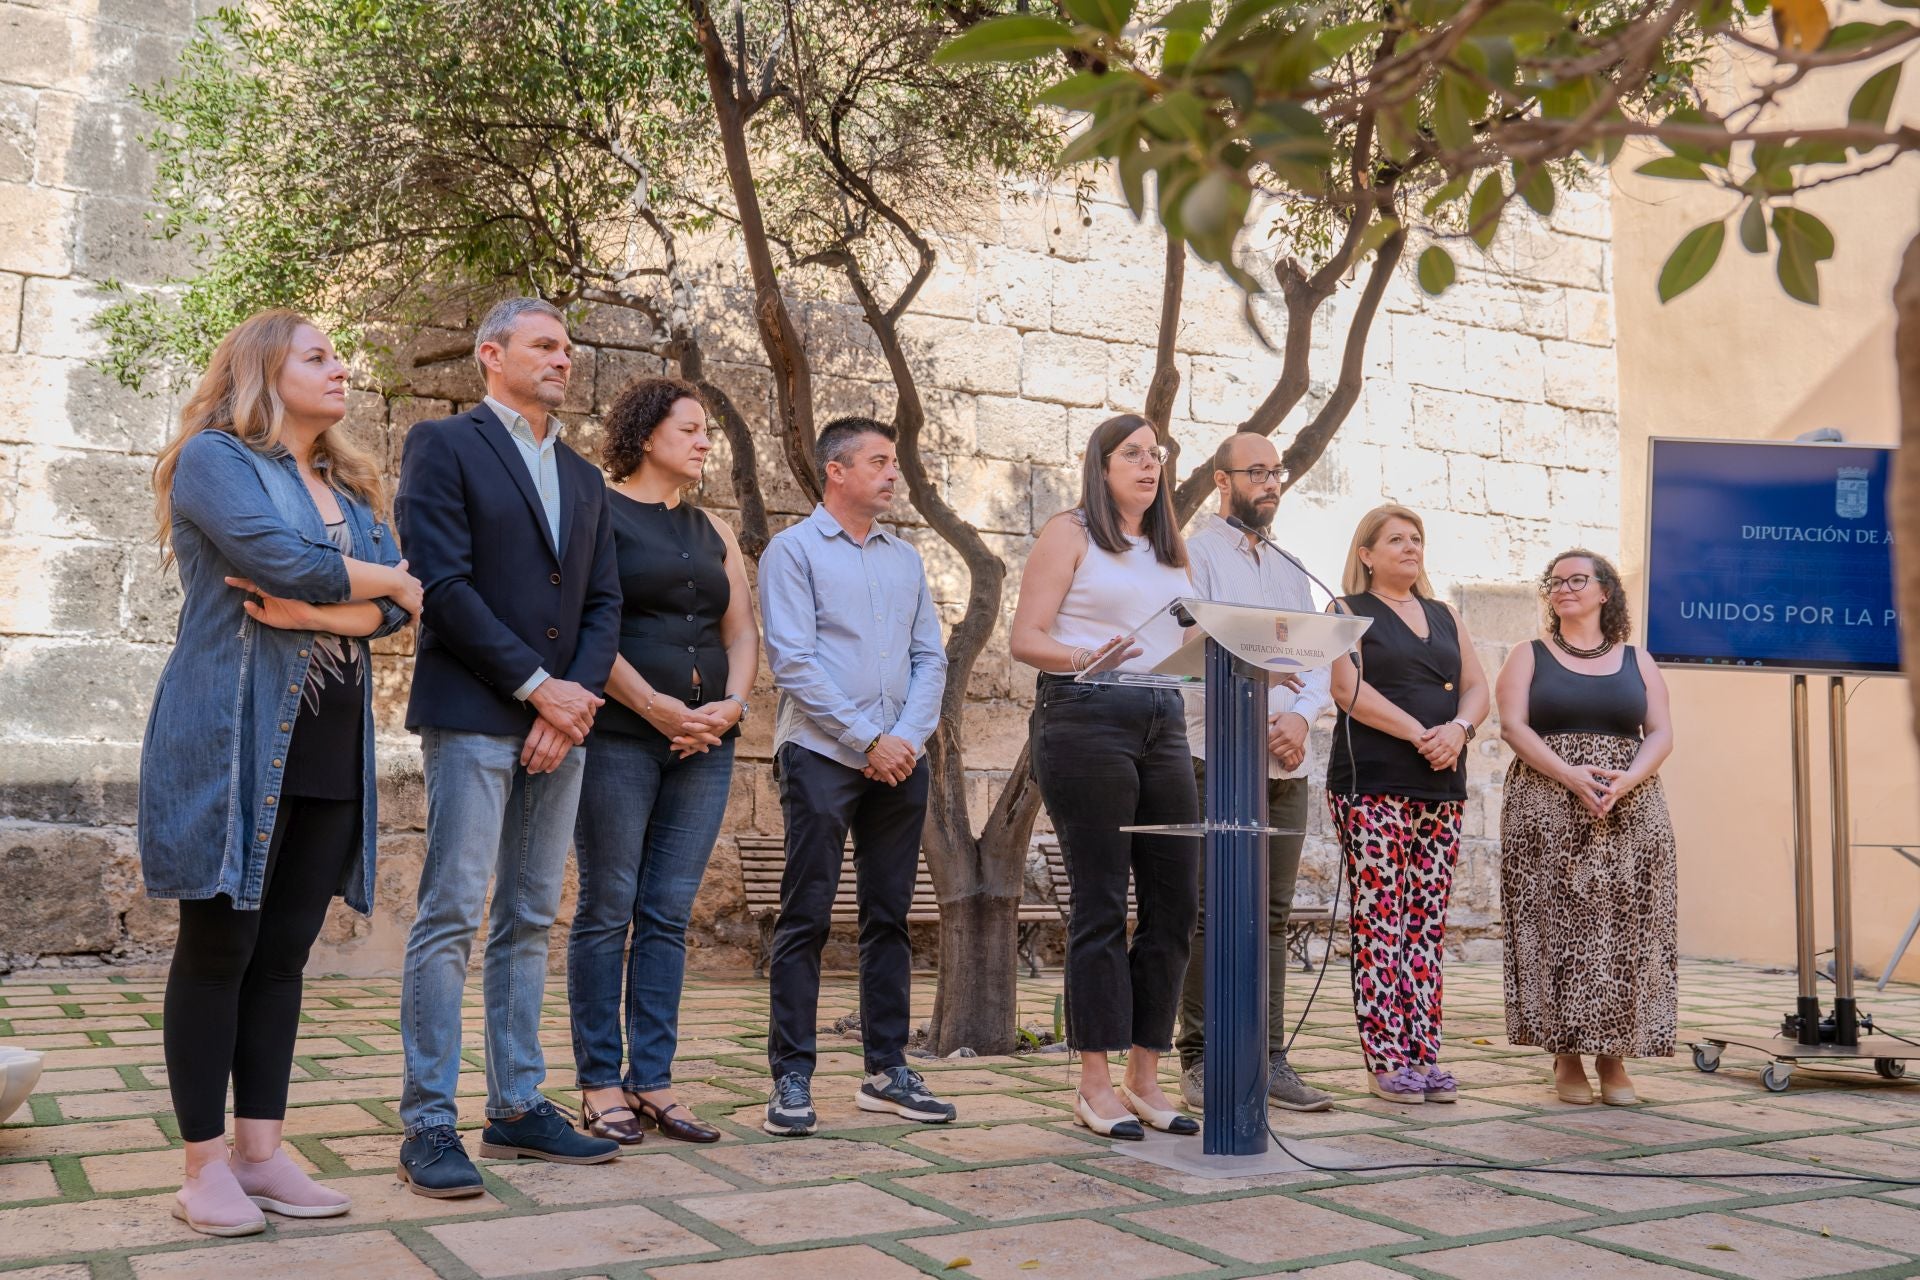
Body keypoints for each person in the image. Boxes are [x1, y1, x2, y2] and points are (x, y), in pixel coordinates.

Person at [141, 309, 420, 1235]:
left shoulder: (343, 479)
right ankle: (201, 1169)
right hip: (233, 733)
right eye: (319, 355)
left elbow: (394, 608)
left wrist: (314, 616)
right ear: (266, 368)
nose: (341, 368)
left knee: (284, 956)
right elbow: (278, 558)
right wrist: (382, 584)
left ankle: (261, 1155)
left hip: (330, 742)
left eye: (340, 353)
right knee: (220, 951)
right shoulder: (216, 460)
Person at [392, 297, 624, 1195]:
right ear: (492, 355)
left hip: (559, 726)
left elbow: (602, 603)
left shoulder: (586, 477)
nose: (565, 359)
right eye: (546, 345)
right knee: (451, 912)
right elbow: (440, 583)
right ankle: (428, 1123)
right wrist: (539, 688)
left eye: (569, 348)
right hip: (476, 715)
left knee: (531, 917)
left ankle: (520, 1108)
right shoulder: (443, 447)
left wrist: (570, 706)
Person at [567, 377, 756, 1145]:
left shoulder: (713, 527)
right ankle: (599, 1081)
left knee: (668, 914)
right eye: (692, 430)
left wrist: (733, 706)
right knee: (608, 907)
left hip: (706, 746)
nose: (706, 442)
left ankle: (654, 1080)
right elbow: (587, 625)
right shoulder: (598, 512)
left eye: (708, 430)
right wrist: (653, 705)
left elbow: (741, 632)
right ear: (647, 436)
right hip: (619, 736)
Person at [758, 415, 954, 1137]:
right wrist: (867, 737)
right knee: (805, 916)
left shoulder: (905, 560)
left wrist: (903, 739)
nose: (892, 473)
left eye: (893, 462)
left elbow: (930, 658)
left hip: (900, 758)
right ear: (836, 471)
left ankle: (886, 1071)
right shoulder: (793, 551)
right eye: (878, 461)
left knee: (889, 918)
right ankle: (792, 1078)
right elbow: (794, 661)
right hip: (820, 753)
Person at [1011, 412, 1200, 1142]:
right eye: (1133, 454)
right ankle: (1094, 1082)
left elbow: (1185, 640)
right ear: (1103, 464)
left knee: (1175, 901)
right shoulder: (1071, 532)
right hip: (1085, 715)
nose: (1149, 466)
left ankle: (1144, 1076)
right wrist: (1091, 655)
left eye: (1157, 456)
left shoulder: (1171, 548)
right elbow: (1026, 638)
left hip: (1163, 718)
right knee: (1099, 902)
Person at [1175, 433, 1334, 1114]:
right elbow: (1192, 648)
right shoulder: (1194, 554)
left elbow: (1315, 654)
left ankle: (1268, 1057)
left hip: (1285, 760)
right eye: (1257, 471)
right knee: (1209, 912)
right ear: (1222, 480)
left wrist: (1299, 717)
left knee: (1271, 914)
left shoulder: (1291, 567)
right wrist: (1266, 708)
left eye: (1278, 472)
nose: (1271, 482)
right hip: (1216, 754)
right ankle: (1202, 1055)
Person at [1495, 550, 1677, 1106]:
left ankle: (1615, 1058)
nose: (1565, 588)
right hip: (1546, 805)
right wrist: (1572, 776)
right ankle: (1566, 1055)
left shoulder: (1637, 659)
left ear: (1604, 592)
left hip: (1630, 808)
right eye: (1555, 581)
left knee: (1625, 932)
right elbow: (1512, 727)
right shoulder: (1527, 655)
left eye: (1578, 579)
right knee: (1556, 928)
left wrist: (1623, 783)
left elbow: (1661, 734)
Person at [1325, 504, 1488, 1105]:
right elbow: (1348, 689)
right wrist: (1423, 732)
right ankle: (1386, 1059)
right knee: (1380, 918)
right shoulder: (1345, 612)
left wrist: (1460, 731)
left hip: (1441, 783)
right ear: (1366, 554)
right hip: (1372, 781)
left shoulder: (1445, 615)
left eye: (1416, 538)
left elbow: (1477, 687)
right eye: (1395, 538)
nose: (1410, 547)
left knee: (1423, 924)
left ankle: (1425, 1053)